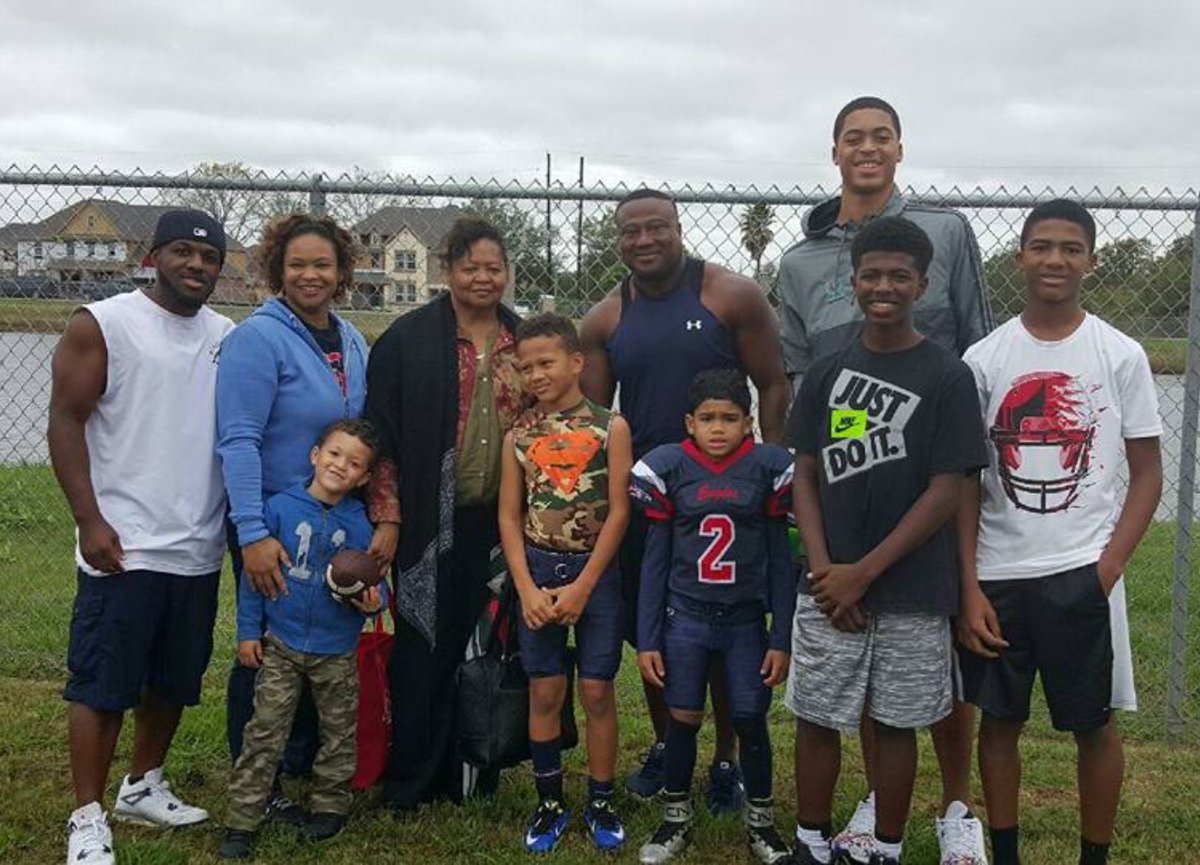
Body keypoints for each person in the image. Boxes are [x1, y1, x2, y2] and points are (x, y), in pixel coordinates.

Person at [776, 95, 993, 864]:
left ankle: (888, 844)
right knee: (818, 712)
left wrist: (865, 570)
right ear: (855, 275)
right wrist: (824, 562)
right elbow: (805, 464)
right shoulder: (831, 366)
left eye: (900, 276)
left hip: (907, 577)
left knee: (897, 718)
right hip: (830, 573)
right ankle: (809, 840)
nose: (884, 287)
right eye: (871, 274)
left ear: (922, 281)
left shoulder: (946, 374)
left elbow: (947, 483)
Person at [956, 200, 1163, 865]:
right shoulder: (985, 358)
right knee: (1001, 720)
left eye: (1071, 248)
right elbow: (964, 482)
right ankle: (1008, 853)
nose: (1055, 259)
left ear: (1091, 261)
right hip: (999, 571)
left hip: (1084, 569)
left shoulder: (1120, 353)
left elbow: (1147, 474)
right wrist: (969, 584)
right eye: (1041, 246)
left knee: (1094, 725)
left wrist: (1105, 571)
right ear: (1018, 257)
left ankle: (1093, 857)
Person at [580, 188, 789, 812]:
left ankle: (726, 756)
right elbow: (593, 423)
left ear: (678, 228)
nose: (645, 241)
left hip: (730, 502)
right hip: (653, 504)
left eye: (657, 228)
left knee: (726, 629)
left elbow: (775, 386)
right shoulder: (604, 318)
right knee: (655, 632)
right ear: (618, 240)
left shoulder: (731, 294)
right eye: (631, 232)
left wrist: (766, 477)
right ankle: (670, 744)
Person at [49, 210, 233, 865]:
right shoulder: (102, 322)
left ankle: (143, 783)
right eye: (183, 252)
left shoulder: (225, 334)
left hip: (197, 543)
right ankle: (87, 815)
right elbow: (67, 421)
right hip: (123, 543)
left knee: (174, 679)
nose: (197, 265)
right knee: (102, 685)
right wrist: (88, 518)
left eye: (209, 257)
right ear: (153, 255)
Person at [365, 216, 529, 811]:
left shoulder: (525, 342)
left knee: (482, 646)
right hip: (427, 523)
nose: (483, 278)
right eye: (470, 267)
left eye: (494, 268)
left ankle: (474, 770)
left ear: (507, 273)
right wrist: (387, 515)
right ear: (447, 271)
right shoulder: (407, 340)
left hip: (502, 522)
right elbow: (379, 436)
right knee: (422, 646)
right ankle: (414, 777)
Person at [217, 213, 370, 826]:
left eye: (322, 264)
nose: (311, 275)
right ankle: (260, 776)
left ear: (341, 273)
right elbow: (238, 438)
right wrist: (251, 533)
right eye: (298, 264)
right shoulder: (257, 338)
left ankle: (304, 761)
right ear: (277, 269)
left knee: (322, 643)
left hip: (333, 524)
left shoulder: (351, 338)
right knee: (266, 651)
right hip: (275, 522)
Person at [631, 369, 796, 865]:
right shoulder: (671, 468)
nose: (719, 428)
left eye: (730, 418)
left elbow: (781, 562)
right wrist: (647, 638)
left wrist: (781, 635)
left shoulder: (765, 468)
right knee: (682, 716)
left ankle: (762, 825)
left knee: (750, 717)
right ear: (690, 423)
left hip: (746, 620)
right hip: (686, 616)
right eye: (708, 419)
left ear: (749, 423)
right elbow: (654, 562)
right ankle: (674, 819)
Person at [498, 313, 633, 853]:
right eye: (525, 366)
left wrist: (584, 586)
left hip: (595, 578)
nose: (535, 375)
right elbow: (509, 516)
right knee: (546, 688)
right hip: (537, 573)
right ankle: (549, 801)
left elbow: (621, 512)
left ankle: (601, 799)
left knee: (597, 689)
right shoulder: (520, 435)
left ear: (576, 362)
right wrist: (527, 588)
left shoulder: (610, 428)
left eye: (545, 362)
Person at [220, 420, 385, 860]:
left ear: (364, 478)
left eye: (353, 464)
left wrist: (373, 601)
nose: (340, 466)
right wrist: (248, 632)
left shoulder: (360, 524)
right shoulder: (279, 509)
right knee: (265, 730)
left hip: (336, 648)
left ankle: (330, 806)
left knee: (337, 731)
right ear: (315, 455)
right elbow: (255, 581)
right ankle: (243, 818)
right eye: (334, 454)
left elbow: (374, 583)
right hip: (282, 644)